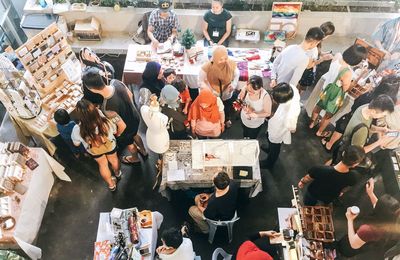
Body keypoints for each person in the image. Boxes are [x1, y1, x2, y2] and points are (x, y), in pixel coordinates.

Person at [82, 67, 147, 164]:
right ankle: (144, 151)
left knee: (129, 143)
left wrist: (118, 134)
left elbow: (122, 125)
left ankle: (135, 158)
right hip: (134, 116)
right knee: (136, 134)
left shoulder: (106, 107)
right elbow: (130, 95)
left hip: (126, 127)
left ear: (91, 89)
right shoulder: (115, 82)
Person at [322, 75, 400, 151]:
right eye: (383, 114)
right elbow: (359, 151)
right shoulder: (385, 104)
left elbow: (356, 104)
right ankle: (330, 146)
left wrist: (380, 130)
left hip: (352, 121)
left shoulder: (369, 99)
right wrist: (380, 137)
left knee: (343, 134)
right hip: (357, 132)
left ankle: (329, 145)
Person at [308, 44, 368, 137]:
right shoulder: (347, 72)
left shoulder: (337, 56)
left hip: (326, 88)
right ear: (356, 60)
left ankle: (312, 123)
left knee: (318, 106)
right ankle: (319, 132)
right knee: (328, 115)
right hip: (335, 97)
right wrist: (359, 77)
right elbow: (346, 89)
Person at [338, 178, 400, 257]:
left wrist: (350, 219)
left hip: (356, 244)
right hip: (370, 242)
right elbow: (382, 207)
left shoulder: (367, 230)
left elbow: (354, 244)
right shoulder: (393, 218)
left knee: (345, 248)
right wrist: (370, 193)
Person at [71, 100, 125, 191]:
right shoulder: (105, 121)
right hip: (110, 145)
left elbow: (76, 144)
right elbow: (115, 131)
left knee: (103, 165)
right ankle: (117, 173)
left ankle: (111, 185)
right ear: (95, 111)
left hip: (94, 150)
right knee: (114, 159)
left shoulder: (77, 129)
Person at [331, 94, 395, 164]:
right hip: (347, 153)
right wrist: (379, 142)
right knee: (336, 167)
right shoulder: (362, 131)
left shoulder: (365, 107)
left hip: (344, 143)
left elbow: (367, 125)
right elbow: (358, 152)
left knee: (333, 161)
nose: (382, 117)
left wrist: (380, 129)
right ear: (373, 111)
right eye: (383, 115)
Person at [298, 145, 365, 206]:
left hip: (313, 192)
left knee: (308, 206)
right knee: (325, 208)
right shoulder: (354, 177)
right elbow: (346, 187)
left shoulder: (319, 169)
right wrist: (341, 192)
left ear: (343, 153)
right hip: (330, 197)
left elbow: (307, 178)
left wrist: (302, 182)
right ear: (355, 164)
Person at [260, 83, 300, 169]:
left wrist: (288, 125)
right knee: (269, 136)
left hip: (279, 128)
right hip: (274, 121)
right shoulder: (289, 88)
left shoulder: (292, 111)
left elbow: (292, 128)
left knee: (275, 144)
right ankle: (269, 148)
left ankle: (270, 162)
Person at [199, 45, 239, 127]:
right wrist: (210, 91)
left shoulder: (231, 63)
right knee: (214, 107)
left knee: (226, 106)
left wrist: (233, 84)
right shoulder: (207, 66)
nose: (224, 61)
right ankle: (214, 121)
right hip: (213, 92)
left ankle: (226, 119)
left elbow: (237, 74)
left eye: (225, 58)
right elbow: (200, 81)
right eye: (221, 59)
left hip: (226, 91)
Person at [298, 22, 335, 93]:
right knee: (301, 88)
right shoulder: (315, 46)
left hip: (304, 68)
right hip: (306, 71)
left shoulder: (314, 38)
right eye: (329, 36)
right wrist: (323, 59)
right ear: (326, 35)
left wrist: (322, 53)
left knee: (300, 86)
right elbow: (310, 65)